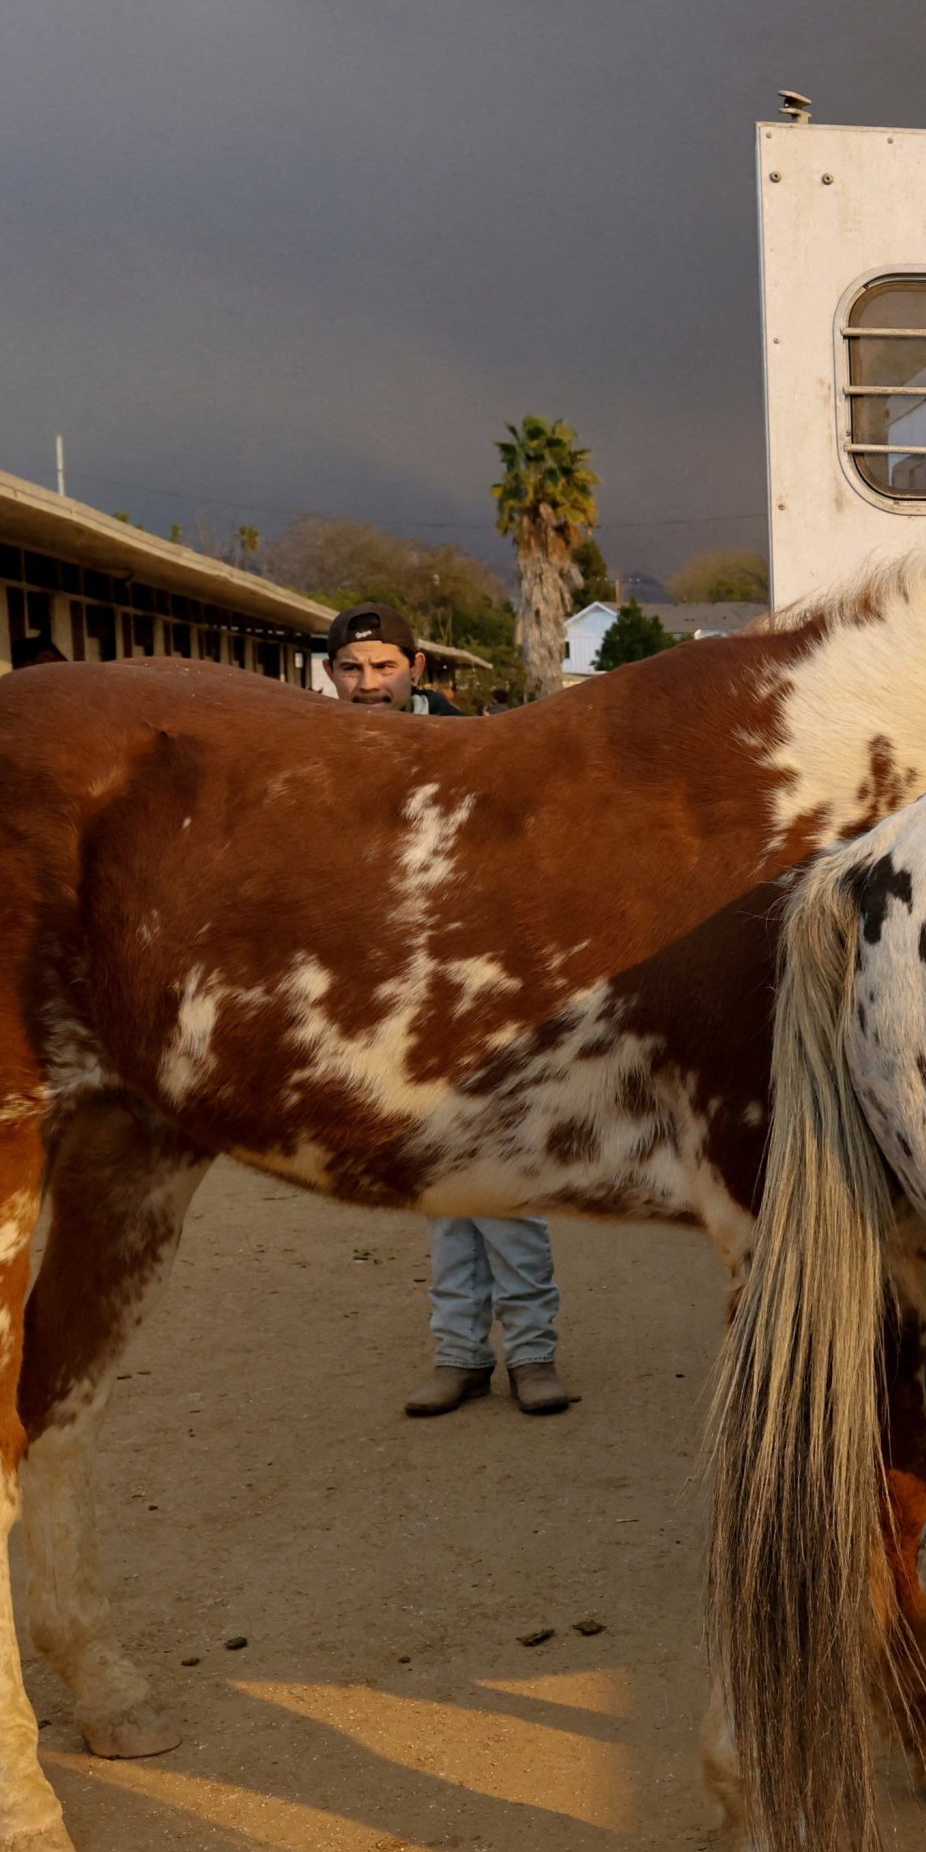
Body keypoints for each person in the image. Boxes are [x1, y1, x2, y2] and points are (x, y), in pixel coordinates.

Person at [325, 602, 578, 1421]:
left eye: (383, 667)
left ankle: (532, 1357)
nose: (367, 685)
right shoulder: (316, 755)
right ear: (331, 674)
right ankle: (459, 1356)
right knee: (437, 1188)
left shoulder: (475, 748)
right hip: (390, 1003)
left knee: (502, 1180)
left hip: (479, 992)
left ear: (417, 669)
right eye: (352, 668)